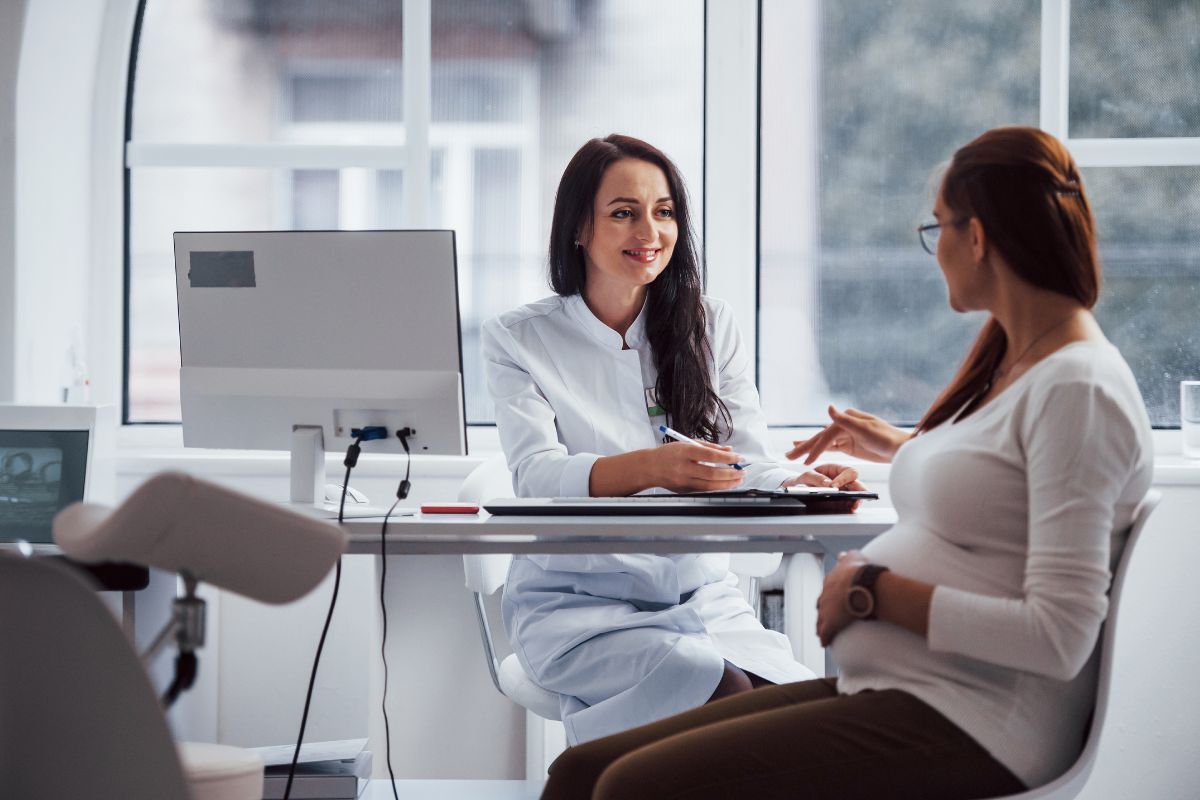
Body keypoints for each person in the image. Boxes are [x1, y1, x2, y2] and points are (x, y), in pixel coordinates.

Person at [539, 125, 1154, 800]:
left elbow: (1058, 638)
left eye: (937, 227)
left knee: (629, 788)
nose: (936, 248)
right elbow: (1004, 476)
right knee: (578, 773)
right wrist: (898, 450)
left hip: (973, 720)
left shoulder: (1079, 388)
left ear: (976, 238)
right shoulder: (1023, 365)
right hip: (913, 690)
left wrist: (873, 593)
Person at [481, 134, 860, 746]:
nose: (649, 231)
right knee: (715, 688)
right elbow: (537, 476)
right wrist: (656, 466)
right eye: (623, 212)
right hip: (577, 607)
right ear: (579, 227)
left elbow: (745, 462)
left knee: (798, 715)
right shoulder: (519, 338)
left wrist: (797, 482)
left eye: (664, 211)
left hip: (700, 598)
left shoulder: (709, 325)